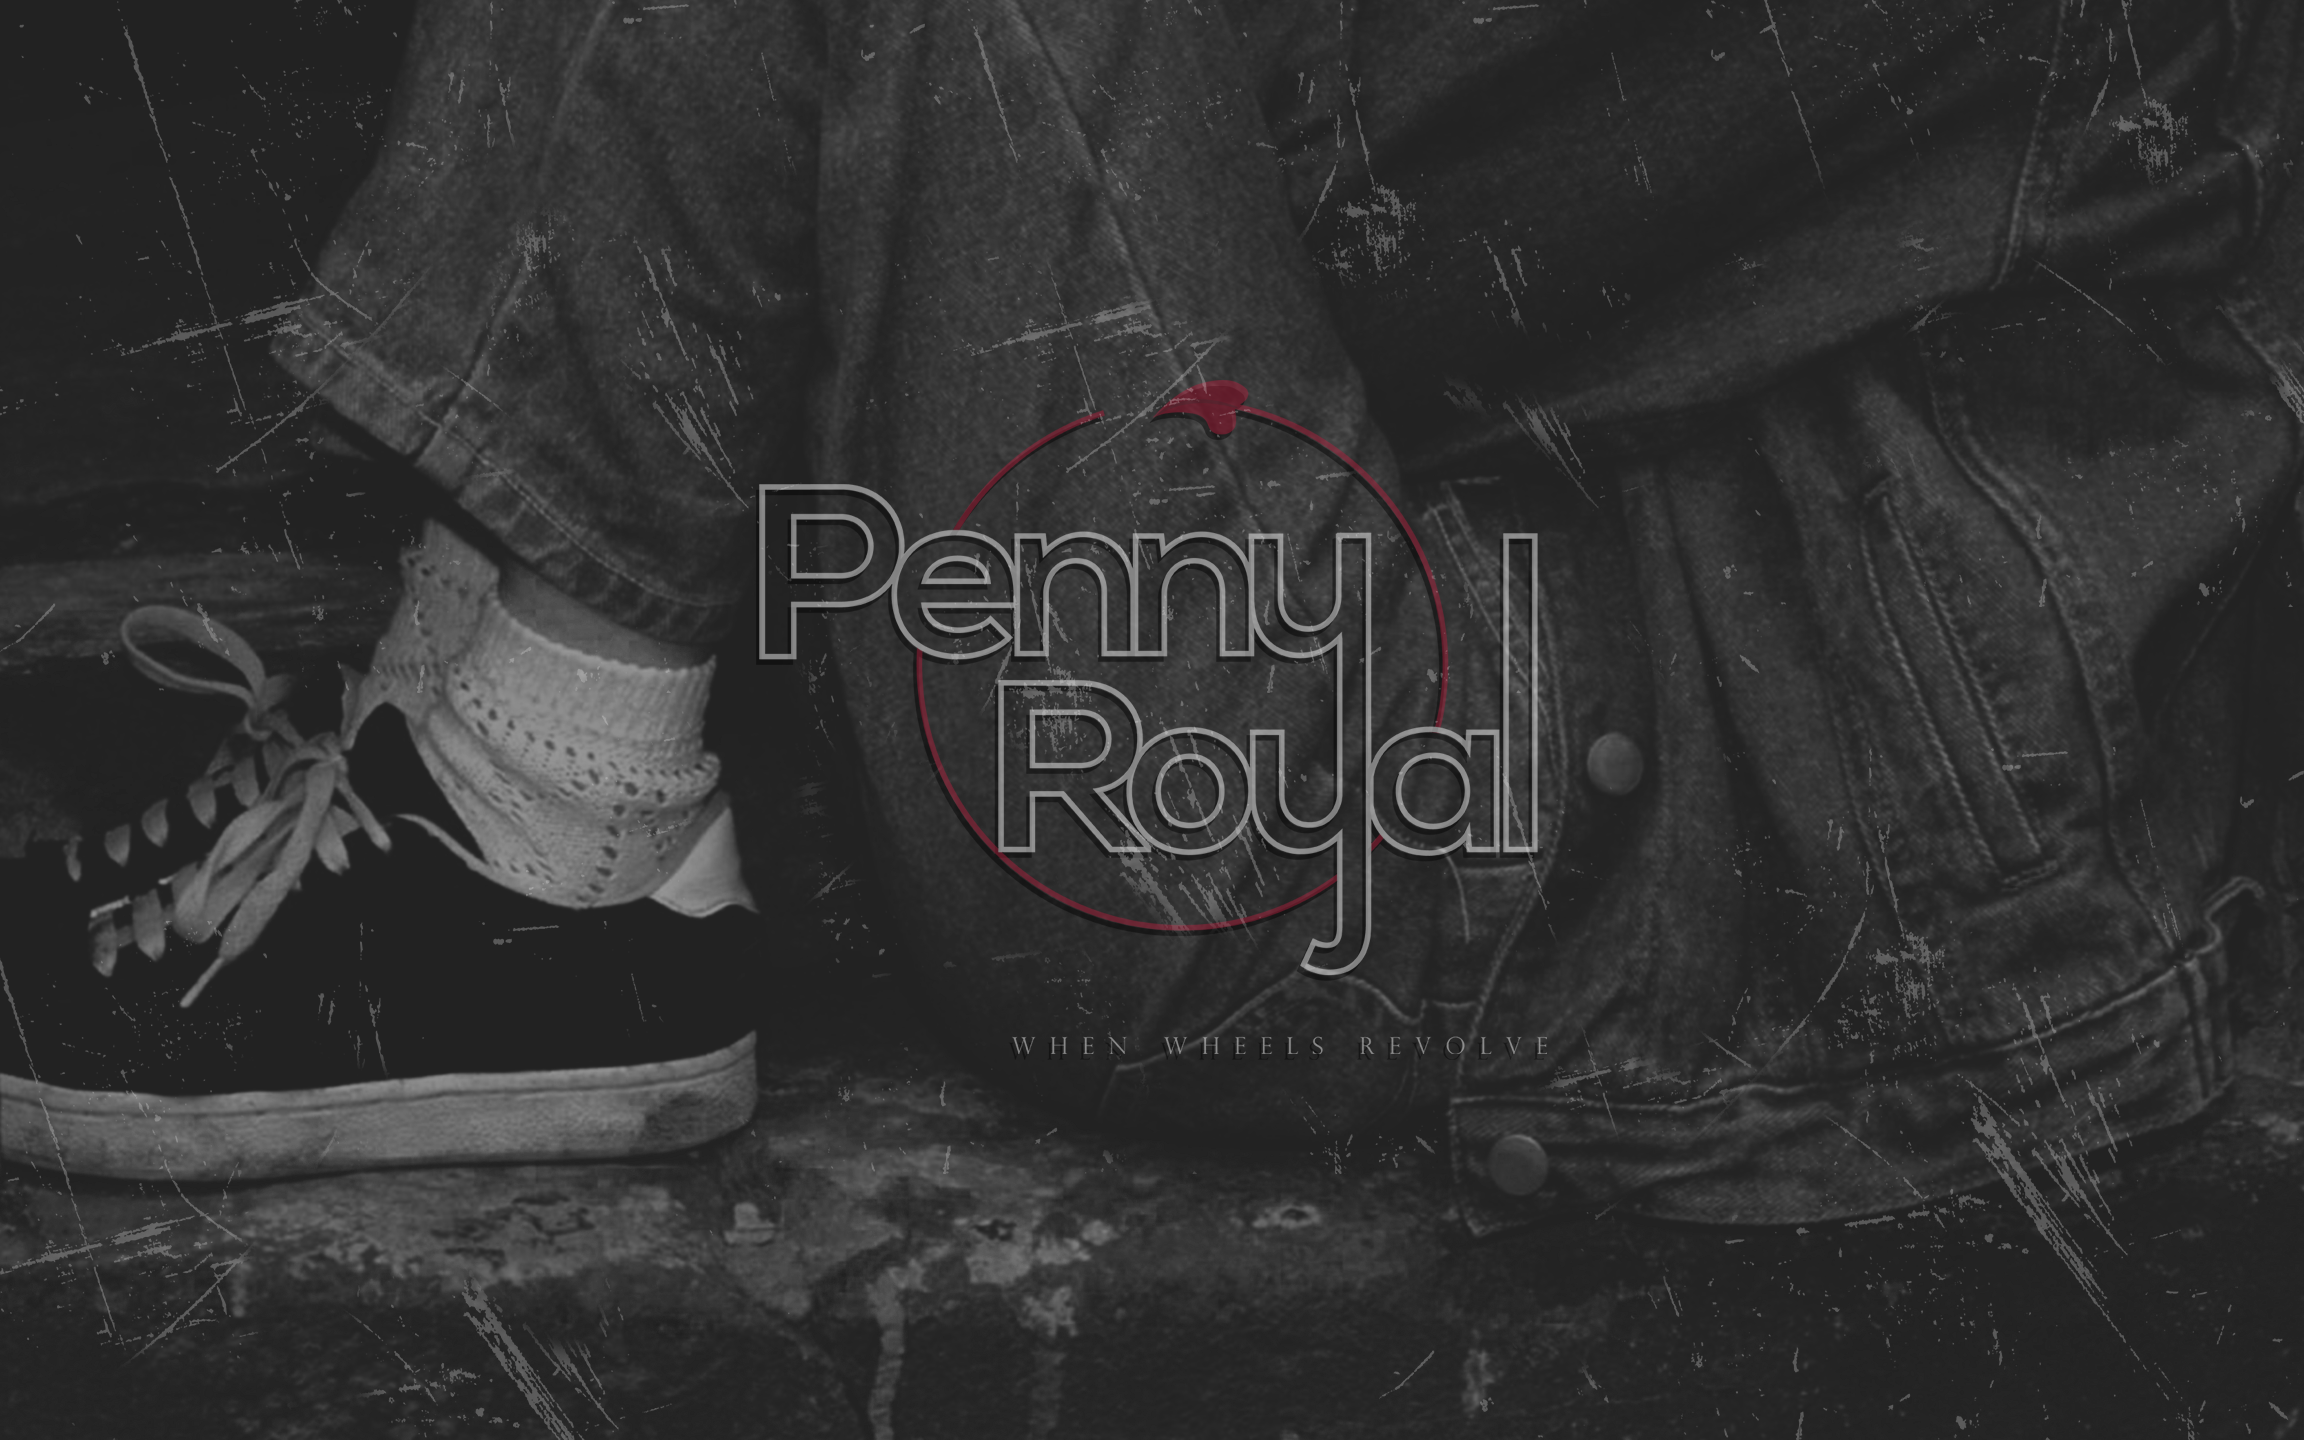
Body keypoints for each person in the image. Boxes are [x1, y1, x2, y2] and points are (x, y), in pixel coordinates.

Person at [2, 0, 2297, 1229]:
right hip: (1367, 599)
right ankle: (495, 755)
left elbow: (1380, 199)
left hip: (1603, 825)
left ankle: (536, 814)